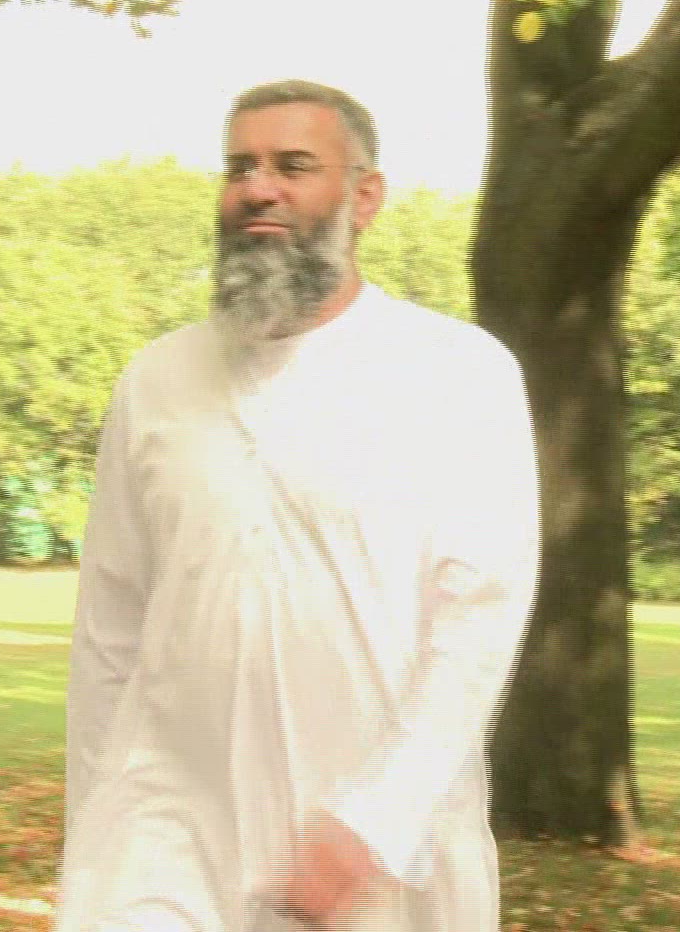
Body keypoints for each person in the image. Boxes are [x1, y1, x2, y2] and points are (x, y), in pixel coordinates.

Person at [54, 80, 541, 932]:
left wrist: (375, 821)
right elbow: (111, 630)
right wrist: (92, 832)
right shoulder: (157, 381)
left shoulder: (456, 375)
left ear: (364, 197)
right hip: (165, 832)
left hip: (374, 859)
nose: (259, 188)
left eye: (293, 165)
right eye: (239, 167)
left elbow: (478, 626)